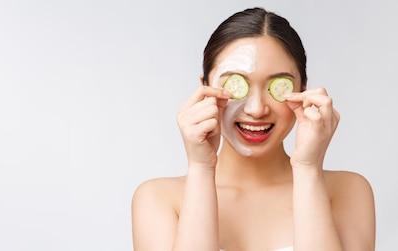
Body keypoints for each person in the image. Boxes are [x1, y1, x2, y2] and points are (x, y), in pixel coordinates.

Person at [131, 7, 375, 251]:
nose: (257, 109)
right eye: (237, 85)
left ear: (303, 90)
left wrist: (308, 169)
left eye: (277, 86)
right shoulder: (158, 199)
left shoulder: (349, 192)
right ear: (204, 89)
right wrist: (201, 168)